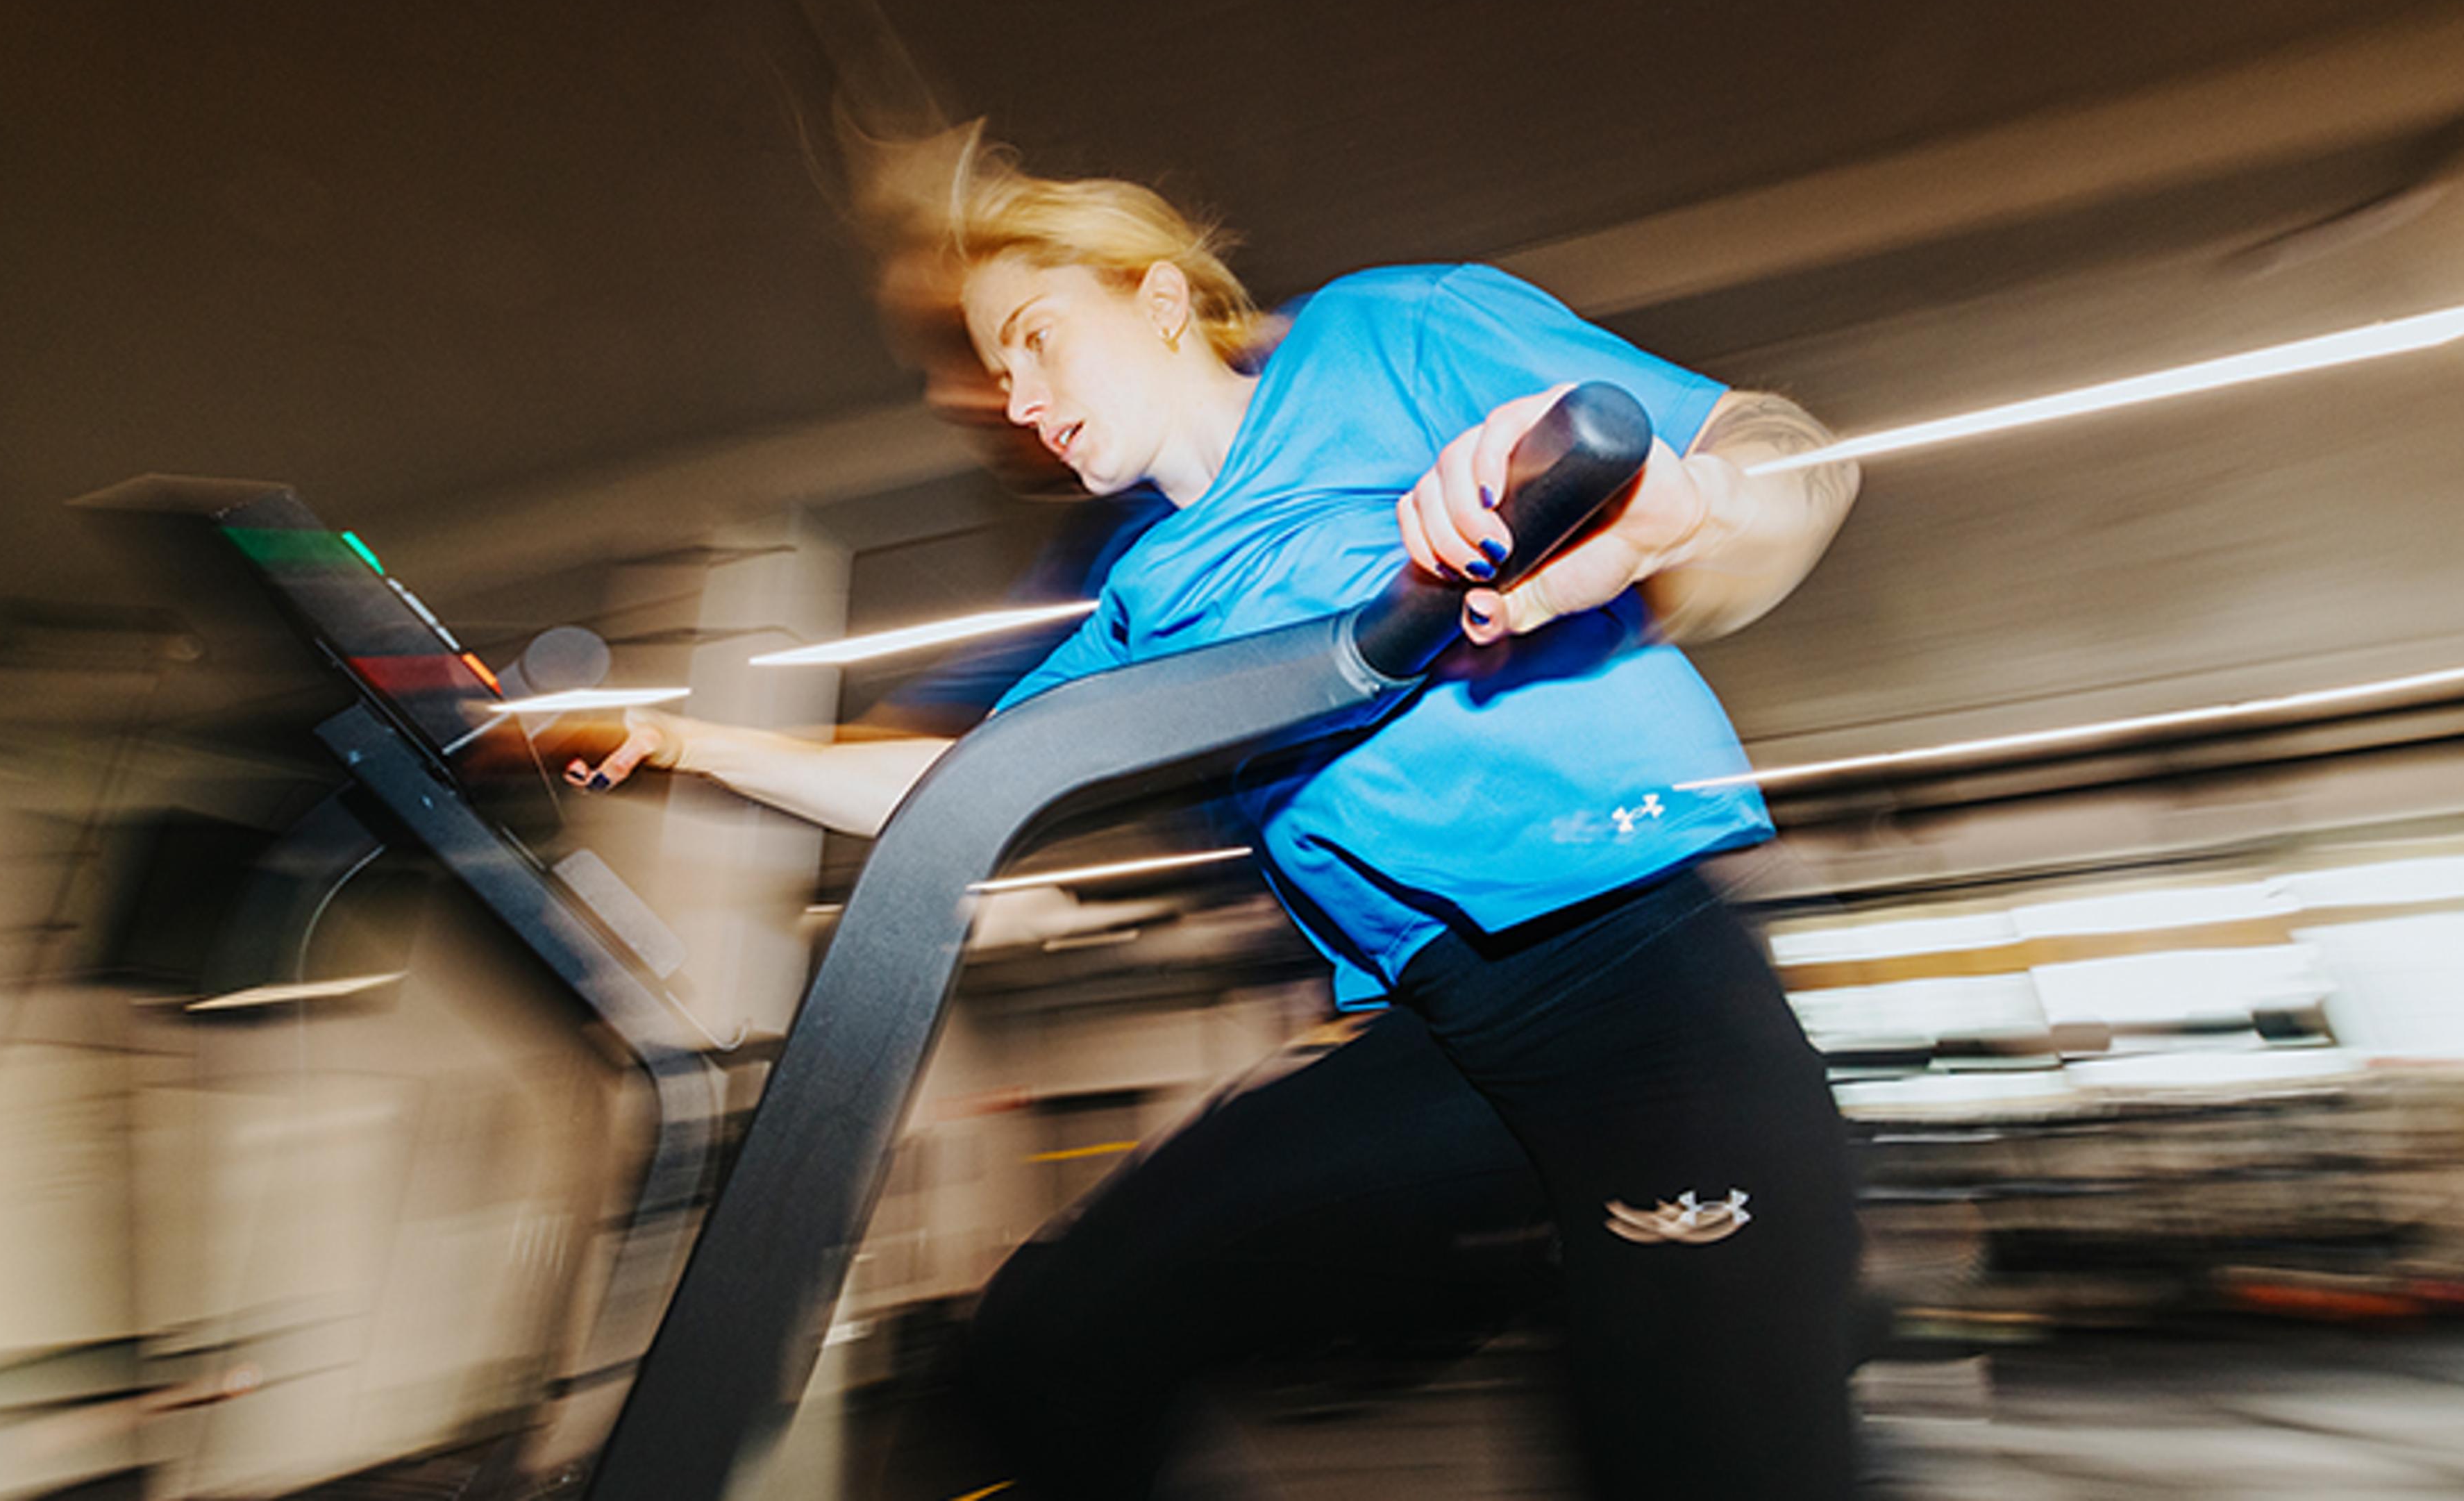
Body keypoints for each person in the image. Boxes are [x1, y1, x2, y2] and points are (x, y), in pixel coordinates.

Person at [570, 128, 1865, 1498]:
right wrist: (691, 742)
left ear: (1161, 300)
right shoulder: (1142, 597)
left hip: (1645, 1005)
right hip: (1446, 1042)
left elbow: (1791, 462)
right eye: (1000, 372)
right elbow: (956, 786)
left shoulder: (1382, 337)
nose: (1020, 400)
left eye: (1037, 339)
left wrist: (1694, 506)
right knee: (1051, 1340)